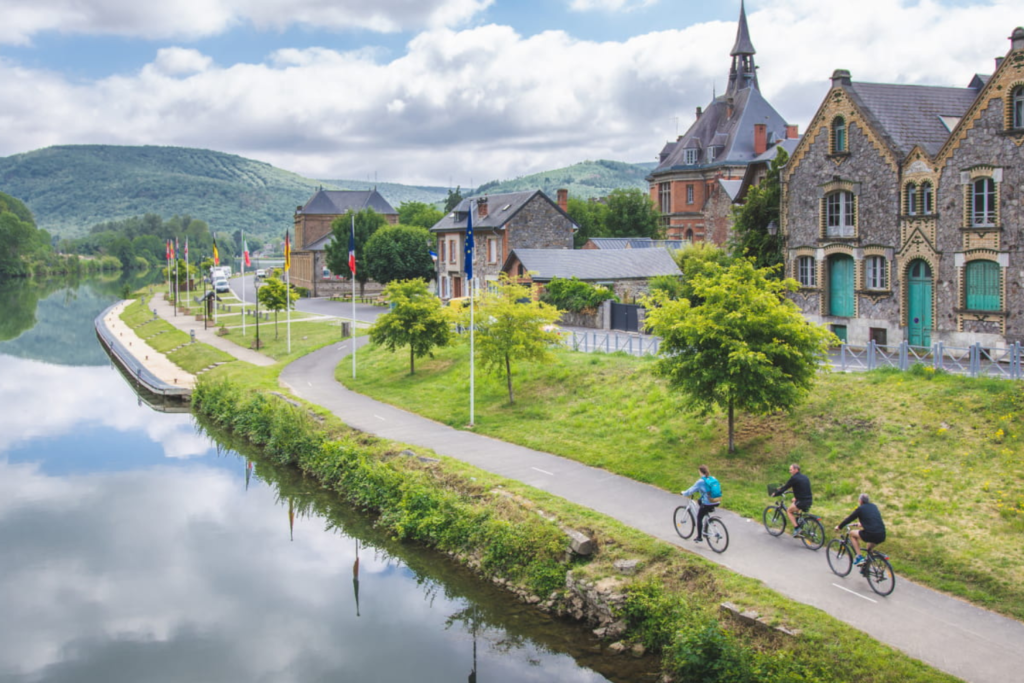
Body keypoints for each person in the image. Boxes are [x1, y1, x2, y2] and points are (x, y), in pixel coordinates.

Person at [836, 493, 886, 565]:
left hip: (871, 534)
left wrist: (839, 526)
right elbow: (872, 519)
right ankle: (868, 566)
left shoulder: (860, 509)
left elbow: (849, 519)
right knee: (869, 548)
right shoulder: (874, 506)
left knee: (852, 534)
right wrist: (862, 524)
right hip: (881, 534)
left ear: (860, 501)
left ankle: (859, 557)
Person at [681, 465, 721, 544]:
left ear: (700, 472)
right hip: (717, 501)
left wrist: (684, 493)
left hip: (708, 503)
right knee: (700, 501)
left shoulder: (701, 481)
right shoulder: (713, 478)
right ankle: (706, 523)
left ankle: (699, 537)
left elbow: (691, 490)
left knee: (699, 517)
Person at [772, 463, 812, 537]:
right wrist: (796, 497)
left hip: (802, 501)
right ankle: (799, 522)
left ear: (796, 469)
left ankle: (797, 529)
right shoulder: (805, 477)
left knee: (789, 511)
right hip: (809, 500)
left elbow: (785, 487)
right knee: (794, 502)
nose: (790, 471)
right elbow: (803, 489)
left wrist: (776, 493)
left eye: (791, 470)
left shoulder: (794, 478)